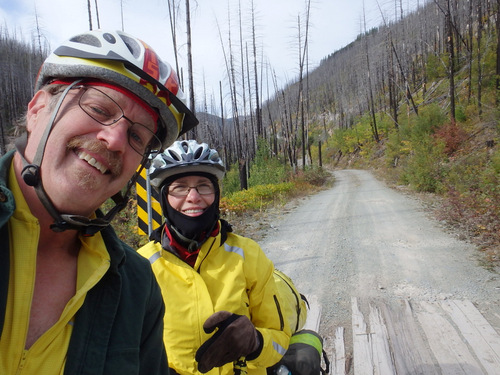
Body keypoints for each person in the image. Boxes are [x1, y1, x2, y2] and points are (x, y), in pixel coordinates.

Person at [0, 29, 198, 374]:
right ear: (37, 109)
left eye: (137, 135)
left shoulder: (137, 289)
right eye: (98, 109)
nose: (116, 140)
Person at [138, 139, 292, 375]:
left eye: (203, 186)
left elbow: (280, 340)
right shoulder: (141, 265)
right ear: (164, 199)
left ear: (217, 193)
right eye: (180, 187)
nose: (193, 197)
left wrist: (256, 343)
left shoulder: (247, 255)